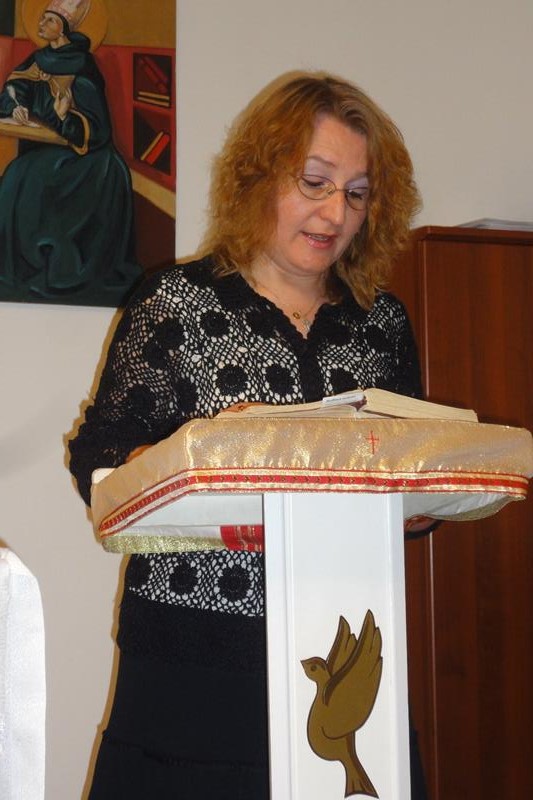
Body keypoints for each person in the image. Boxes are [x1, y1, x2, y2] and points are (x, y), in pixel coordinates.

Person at [69, 70, 427, 799]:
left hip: (345, 654)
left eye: (357, 194)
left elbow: (409, 482)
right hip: (193, 665)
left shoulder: (382, 323)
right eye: (315, 182)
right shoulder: (174, 302)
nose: (335, 211)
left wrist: (423, 502)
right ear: (259, 176)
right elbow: (99, 457)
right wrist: (198, 460)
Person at [0, 1, 141, 305]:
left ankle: (50, 261)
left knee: (31, 177)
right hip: (46, 147)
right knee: (15, 175)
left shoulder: (82, 65)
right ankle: (19, 262)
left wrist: (66, 117)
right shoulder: (38, 59)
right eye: (42, 18)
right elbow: (14, 88)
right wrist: (16, 105)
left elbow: (98, 129)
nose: (41, 24)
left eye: (49, 20)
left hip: (86, 157)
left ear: (63, 29)